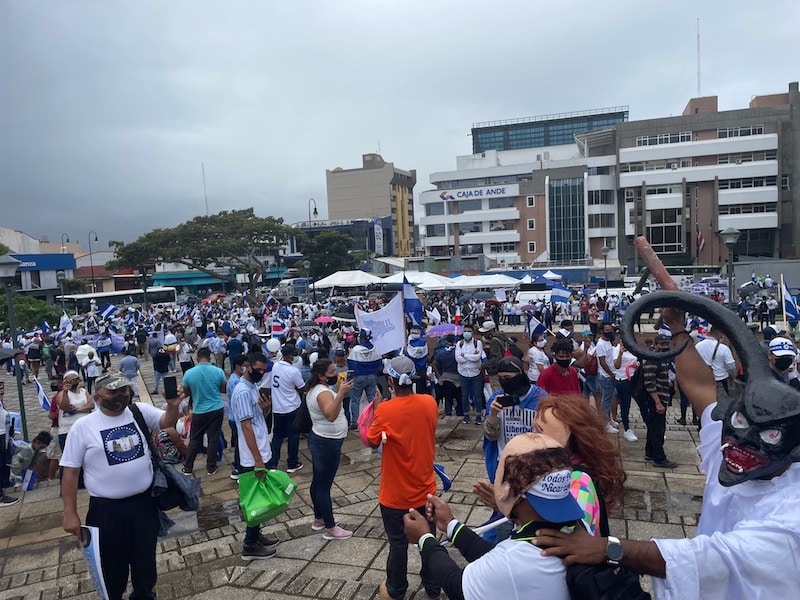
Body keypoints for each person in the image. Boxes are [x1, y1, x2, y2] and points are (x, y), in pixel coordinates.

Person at [535, 305, 800, 599]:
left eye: (769, 435)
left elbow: (706, 558)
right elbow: (701, 387)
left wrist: (606, 547)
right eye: (739, 422)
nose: (743, 442)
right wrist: (677, 326)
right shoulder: (733, 444)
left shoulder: (790, 518)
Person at [404, 433, 585, 600]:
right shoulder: (575, 533)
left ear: (513, 491)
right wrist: (451, 525)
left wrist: (424, 538)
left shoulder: (512, 561)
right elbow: (492, 557)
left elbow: (456, 585)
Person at [60, 371, 182, 600]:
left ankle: (144, 595)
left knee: (145, 563)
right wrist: (70, 514)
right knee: (112, 569)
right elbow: (70, 472)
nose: (120, 395)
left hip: (143, 505)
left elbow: (167, 421)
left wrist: (173, 405)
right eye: (113, 391)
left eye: (124, 389)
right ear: (97, 397)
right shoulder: (83, 427)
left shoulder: (138, 411)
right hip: (107, 511)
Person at [367, 356, 440, 600]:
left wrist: (377, 408)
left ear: (390, 381)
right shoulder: (429, 403)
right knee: (428, 539)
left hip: (395, 494)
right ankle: (433, 586)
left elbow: (371, 440)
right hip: (425, 489)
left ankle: (396, 588)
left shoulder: (385, 409)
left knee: (397, 543)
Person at [229, 352, 281, 560]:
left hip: (260, 449)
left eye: (263, 369)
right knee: (255, 501)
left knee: (260, 498)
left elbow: (256, 419)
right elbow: (246, 427)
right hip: (252, 456)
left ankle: (256, 535)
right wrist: (258, 459)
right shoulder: (242, 391)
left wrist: (266, 411)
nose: (261, 373)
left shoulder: (252, 387)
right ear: (246, 367)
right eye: (258, 369)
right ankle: (250, 545)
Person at [305, 358, 355, 540]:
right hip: (326, 442)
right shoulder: (322, 392)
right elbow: (331, 415)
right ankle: (330, 527)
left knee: (318, 481)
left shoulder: (319, 389)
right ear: (321, 376)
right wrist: (341, 394)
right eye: (332, 372)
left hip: (322, 439)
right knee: (323, 486)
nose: (335, 374)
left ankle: (319, 518)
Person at [180, 347, 226, 476]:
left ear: (197, 358)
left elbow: (186, 392)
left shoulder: (189, 373)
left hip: (199, 410)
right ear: (210, 357)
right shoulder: (218, 371)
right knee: (213, 437)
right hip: (216, 408)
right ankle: (211, 466)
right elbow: (223, 389)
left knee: (195, 438)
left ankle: (188, 467)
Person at [261, 343, 304, 472]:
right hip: (292, 407)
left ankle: (273, 462)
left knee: (277, 436)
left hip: (278, 408)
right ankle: (292, 462)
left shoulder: (276, 366)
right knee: (293, 435)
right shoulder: (293, 371)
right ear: (290, 356)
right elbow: (301, 388)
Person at [641, 334, 678, 468]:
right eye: (662, 344)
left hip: (661, 396)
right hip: (657, 399)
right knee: (658, 429)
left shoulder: (661, 358)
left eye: (667, 344)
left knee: (653, 427)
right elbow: (649, 382)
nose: (665, 347)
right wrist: (657, 402)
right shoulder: (653, 359)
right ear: (655, 345)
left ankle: (650, 452)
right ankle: (659, 457)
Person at [347, 328, 382, 428]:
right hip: (371, 376)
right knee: (372, 399)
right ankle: (375, 419)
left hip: (358, 377)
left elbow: (351, 364)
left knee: (355, 400)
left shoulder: (356, 350)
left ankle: (355, 422)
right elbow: (379, 363)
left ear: (361, 338)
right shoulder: (374, 348)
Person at [57, 371, 95, 452]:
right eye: (71, 380)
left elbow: (91, 405)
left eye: (75, 379)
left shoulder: (83, 391)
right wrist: (65, 392)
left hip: (85, 428)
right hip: (68, 430)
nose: (74, 381)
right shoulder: (62, 394)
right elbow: (65, 407)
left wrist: (78, 409)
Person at [455, 324, 485, 425]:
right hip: (463, 372)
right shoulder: (459, 344)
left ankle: (478, 415)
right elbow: (458, 358)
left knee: (477, 395)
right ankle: (466, 415)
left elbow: (477, 357)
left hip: (475, 372)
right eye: (465, 331)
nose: (466, 333)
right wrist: (471, 356)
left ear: (472, 332)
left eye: (469, 331)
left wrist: (465, 355)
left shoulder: (478, 343)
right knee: (464, 395)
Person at [613, 340, 640, 442]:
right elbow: (616, 365)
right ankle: (626, 429)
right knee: (625, 405)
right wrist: (620, 353)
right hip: (623, 380)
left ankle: (652, 428)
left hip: (633, 378)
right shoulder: (616, 350)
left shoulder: (632, 349)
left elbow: (635, 360)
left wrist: (635, 363)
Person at [595, 321, 618, 432]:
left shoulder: (608, 342)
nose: (609, 332)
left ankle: (609, 419)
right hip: (607, 376)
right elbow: (602, 362)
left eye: (611, 330)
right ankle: (605, 423)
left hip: (611, 374)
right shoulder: (600, 344)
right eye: (607, 330)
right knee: (606, 401)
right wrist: (611, 374)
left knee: (610, 398)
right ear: (601, 331)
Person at [431, 334, 462, 418]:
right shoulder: (458, 352)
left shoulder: (441, 353)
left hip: (445, 377)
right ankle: (460, 413)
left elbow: (434, 364)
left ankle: (448, 412)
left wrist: (438, 375)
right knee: (459, 397)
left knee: (448, 397)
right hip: (458, 377)